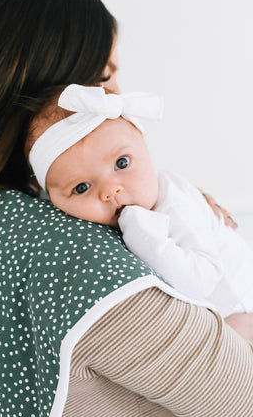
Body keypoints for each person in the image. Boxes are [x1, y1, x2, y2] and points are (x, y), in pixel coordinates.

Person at [0, 0, 252, 417]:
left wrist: (168, 199)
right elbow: (241, 397)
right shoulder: (83, 264)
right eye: (103, 79)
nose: (118, 95)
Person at [28, 84, 253, 325]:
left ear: (145, 147)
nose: (111, 191)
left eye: (122, 163)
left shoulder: (176, 205)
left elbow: (202, 281)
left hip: (237, 301)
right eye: (81, 187)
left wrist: (145, 237)